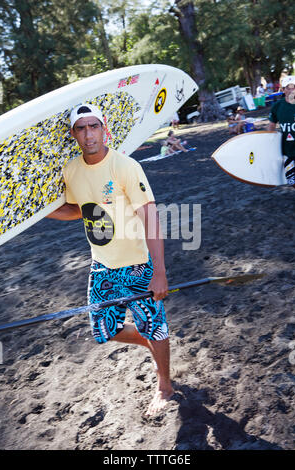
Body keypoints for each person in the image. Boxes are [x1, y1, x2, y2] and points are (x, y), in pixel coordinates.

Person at [47, 103, 174, 416]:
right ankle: (150, 346)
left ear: (104, 129)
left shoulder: (125, 166)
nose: (88, 134)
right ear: (74, 133)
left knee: (155, 328)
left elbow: (151, 217)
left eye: (94, 126)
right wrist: (38, 212)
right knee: (105, 331)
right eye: (81, 128)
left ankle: (165, 385)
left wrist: (159, 271)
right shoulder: (71, 169)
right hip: (101, 265)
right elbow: (79, 209)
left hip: (137, 266)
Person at [268, 75, 295, 188]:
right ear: (283, 89)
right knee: (292, 182)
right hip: (287, 152)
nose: (291, 90)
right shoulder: (277, 106)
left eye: (294, 86)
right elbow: (271, 125)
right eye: (287, 87)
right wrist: (267, 142)